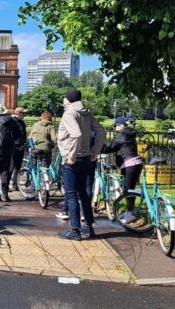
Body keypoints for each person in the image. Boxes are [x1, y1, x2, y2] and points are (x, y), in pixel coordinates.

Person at [56, 89, 106, 241]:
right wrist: (95, 151)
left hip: (73, 159)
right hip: (85, 158)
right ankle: (89, 228)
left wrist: (71, 155)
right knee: (83, 194)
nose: (63, 101)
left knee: (71, 195)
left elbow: (76, 134)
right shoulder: (87, 113)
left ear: (68, 99)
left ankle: (75, 230)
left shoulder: (69, 113)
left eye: (64, 98)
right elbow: (101, 132)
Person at [101, 116, 143, 221]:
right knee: (129, 189)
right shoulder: (130, 133)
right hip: (135, 163)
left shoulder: (122, 134)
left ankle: (131, 214)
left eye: (115, 126)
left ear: (120, 125)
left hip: (129, 164)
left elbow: (112, 147)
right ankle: (129, 211)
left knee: (128, 190)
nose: (115, 128)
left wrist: (98, 148)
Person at [0, 104, 20, 202]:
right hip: (8, 150)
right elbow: (18, 134)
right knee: (5, 171)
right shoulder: (13, 121)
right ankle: (5, 194)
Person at [10, 107, 28, 194]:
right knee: (11, 166)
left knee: (17, 167)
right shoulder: (12, 122)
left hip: (21, 146)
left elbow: (23, 135)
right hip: (14, 147)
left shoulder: (22, 122)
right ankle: (5, 186)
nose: (24, 115)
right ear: (18, 113)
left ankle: (14, 184)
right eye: (23, 113)